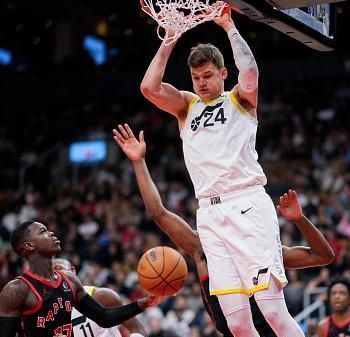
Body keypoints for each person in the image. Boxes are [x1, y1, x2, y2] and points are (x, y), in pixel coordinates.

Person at [140, 2, 304, 336]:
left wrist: (228, 26)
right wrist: (169, 39)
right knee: (238, 324)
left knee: (272, 311)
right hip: (210, 216)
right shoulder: (186, 106)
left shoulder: (240, 100)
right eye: (196, 78)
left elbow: (251, 73)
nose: (201, 83)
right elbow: (149, 88)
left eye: (208, 76)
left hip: (246, 203)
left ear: (223, 74)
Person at [113, 124, 335, 337]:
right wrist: (139, 162)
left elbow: (324, 256)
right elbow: (158, 212)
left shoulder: (260, 249)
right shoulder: (204, 249)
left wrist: (299, 219)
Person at [0, 221, 163, 337]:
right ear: (29, 246)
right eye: (43, 231)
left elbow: (104, 317)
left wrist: (143, 303)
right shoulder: (17, 289)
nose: (51, 233)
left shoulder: (69, 280)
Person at [52, 258, 147, 337]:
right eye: (52, 273)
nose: (57, 274)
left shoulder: (101, 295)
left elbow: (136, 328)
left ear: (73, 271)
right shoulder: (48, 314)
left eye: (59, 268)